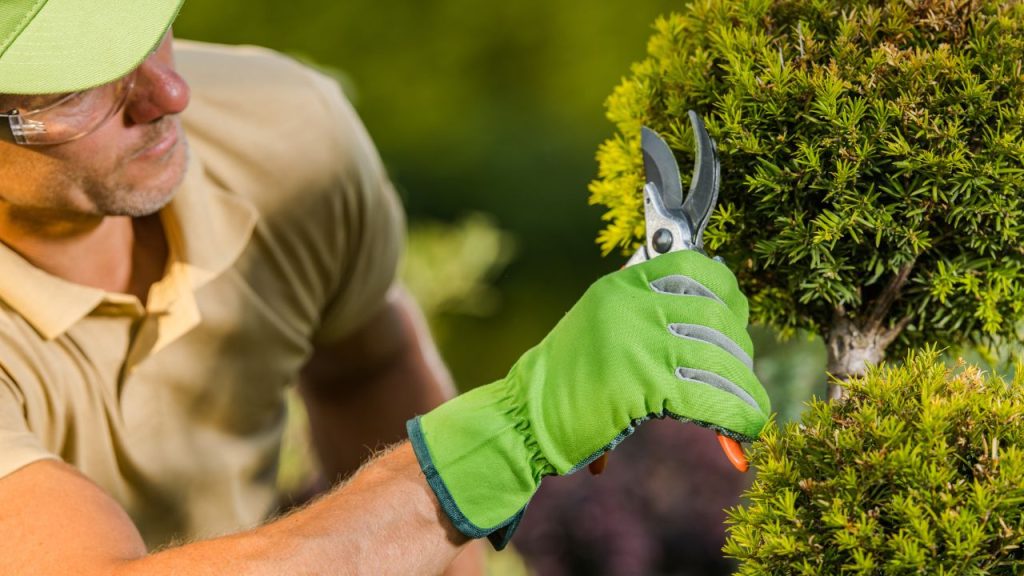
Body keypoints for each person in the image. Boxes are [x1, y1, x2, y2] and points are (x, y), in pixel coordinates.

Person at [0, 1, 770, 574]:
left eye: (149, 27)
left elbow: (364, 369)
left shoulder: (283, 134)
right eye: (78, 88)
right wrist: (510, 437)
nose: (170, 95)